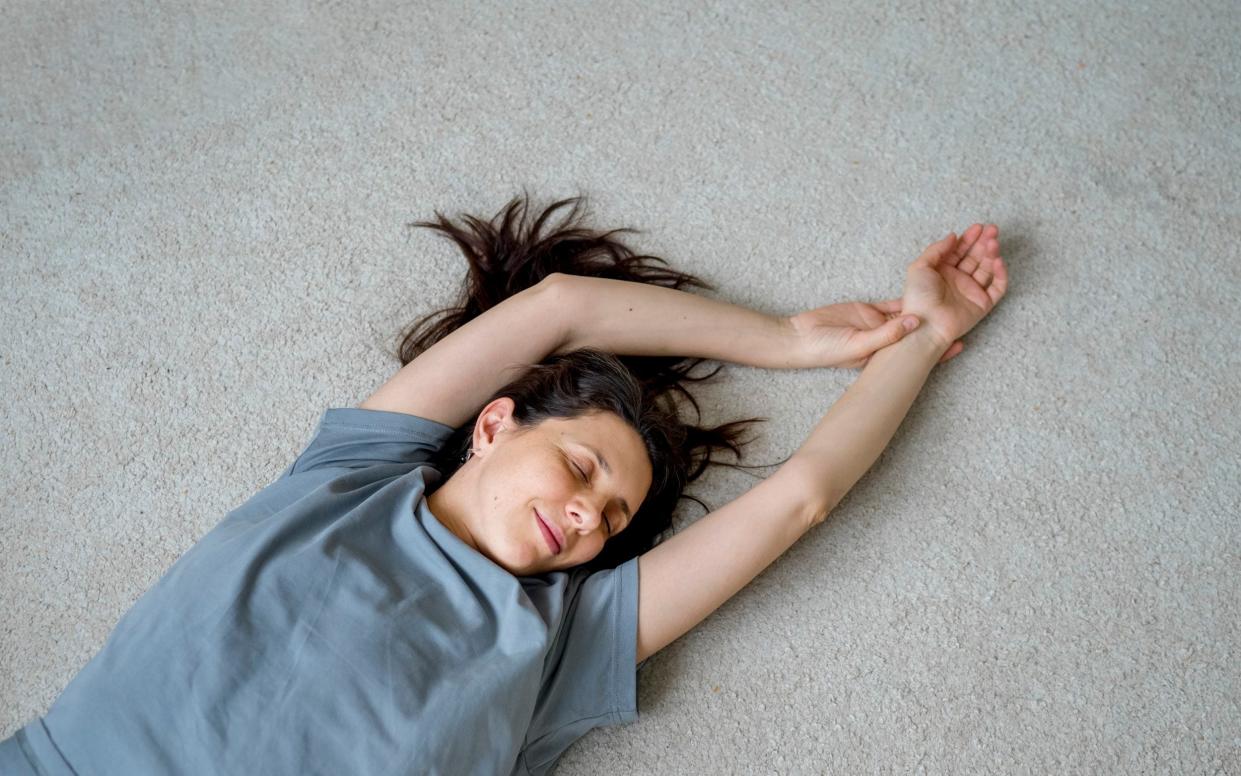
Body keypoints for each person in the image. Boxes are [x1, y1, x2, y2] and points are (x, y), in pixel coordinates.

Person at [0, 194, 1006, 775]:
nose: (588, 514)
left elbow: (801, 495)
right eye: (581, 467)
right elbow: (557, 306)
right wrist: (783, 338)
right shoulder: (350, 476)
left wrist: (920, 337)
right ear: (490, 425)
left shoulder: (564, 634)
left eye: (610, 517)